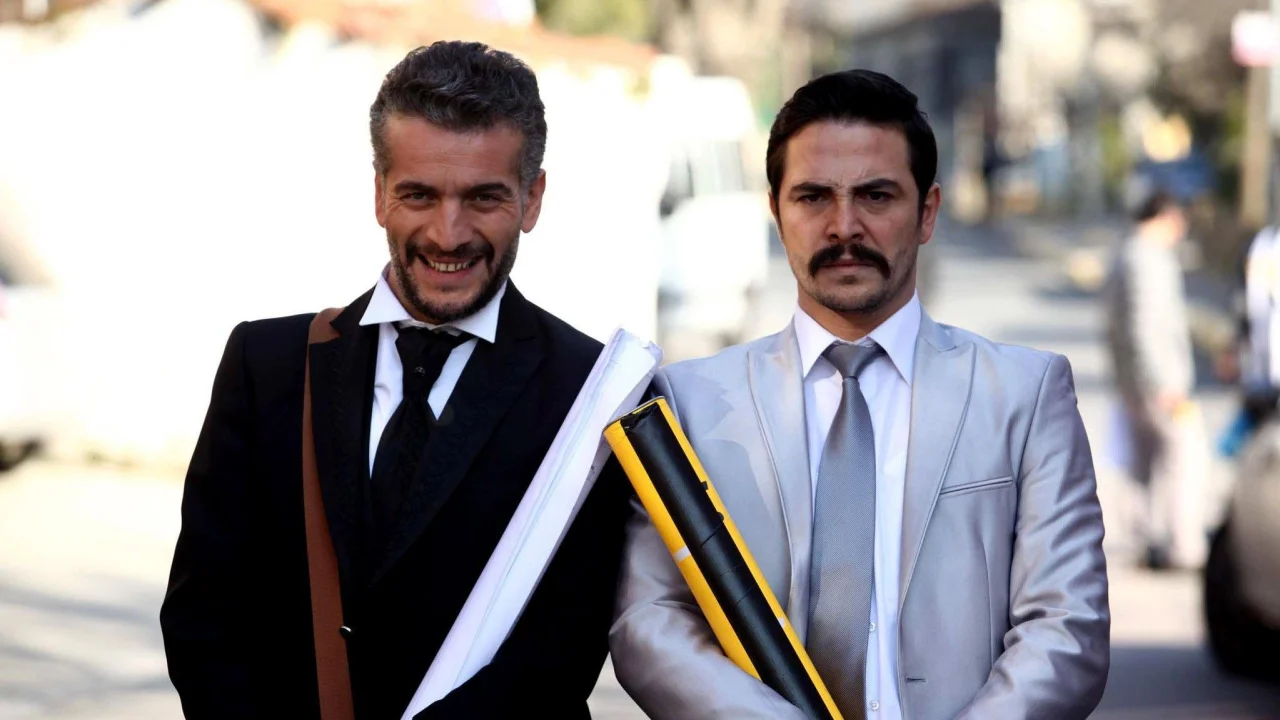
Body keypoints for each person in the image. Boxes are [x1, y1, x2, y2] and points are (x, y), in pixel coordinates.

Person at [609, 69, 1110, 720]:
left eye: (876, 196)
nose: (844, 226)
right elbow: (651, 621)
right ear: (776, 211)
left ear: (927, 212)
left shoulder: (1025, 394)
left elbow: (1067, 626)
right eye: (813, 197)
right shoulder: (689, 404)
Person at [160, 42, 631, 720]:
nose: (448, 233)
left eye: (484, 197)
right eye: (419, 194)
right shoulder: (265, 364)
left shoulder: (593, 392)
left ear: (532, 199)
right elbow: (205, 615)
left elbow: (561, 649)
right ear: (380, 193)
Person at [1102, 189, 1207, 570]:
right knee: (1187, 455)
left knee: (1142, 461)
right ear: (1166, 216)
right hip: (1159, 383)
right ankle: (1184, 545)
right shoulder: (1146, 258)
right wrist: (1162, 381)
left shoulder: (1127, 253)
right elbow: (1144, 326)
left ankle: (1143, 539)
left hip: (1135, 381)